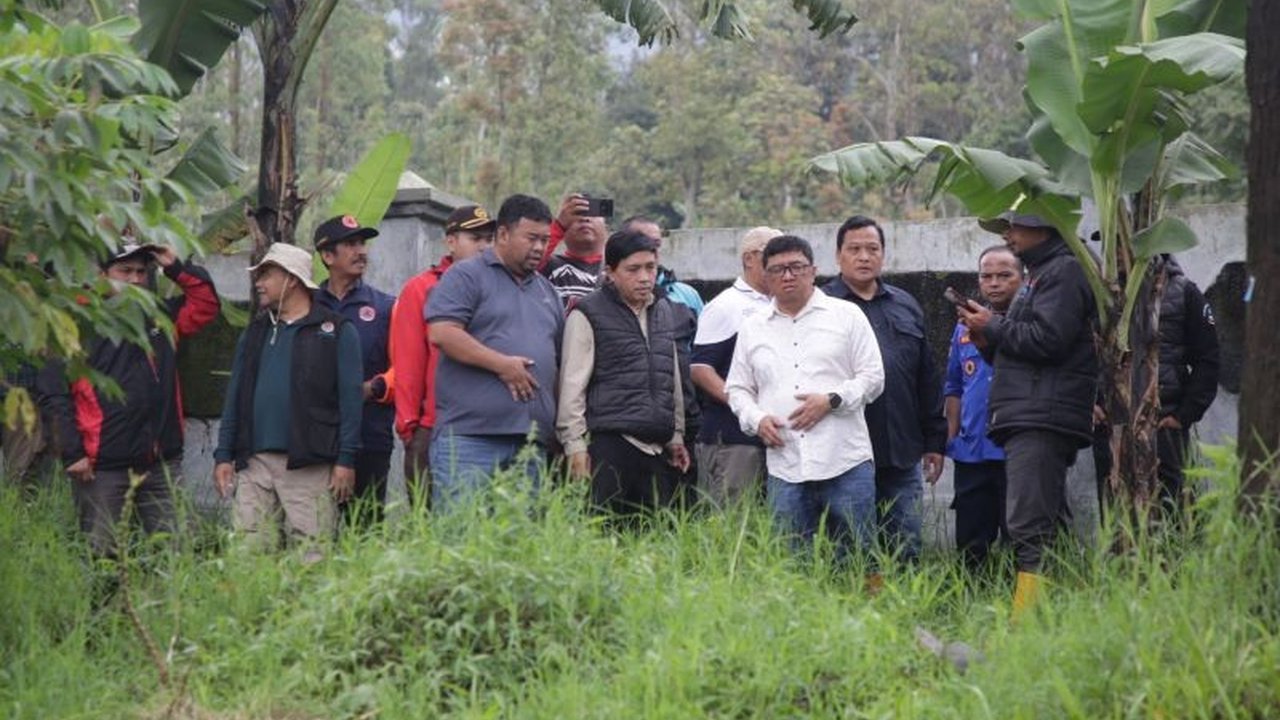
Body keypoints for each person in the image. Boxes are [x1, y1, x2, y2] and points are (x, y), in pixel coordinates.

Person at [958, 211, 1098, 619]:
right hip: (1031, 410)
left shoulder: (1064, 271)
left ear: (1043, 226)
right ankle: (1059, 614)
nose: (1007, 233)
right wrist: (987, 338)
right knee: (1044, 518)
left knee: (1027, 523)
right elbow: (1024, 348)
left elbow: (1049, 341)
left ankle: (1027, 622)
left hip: (1042, 415)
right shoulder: (1042, 274)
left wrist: (994, 325)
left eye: (1014, 226)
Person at [43, 242, 220, 556]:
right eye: (125, 271)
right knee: (101, 555)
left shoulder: (160, 316)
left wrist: (173, 265)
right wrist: (72, 453)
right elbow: (56, 393)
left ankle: (166, 606)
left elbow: (205, 305)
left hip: (160, 462)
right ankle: (101, 606)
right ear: (100, 274)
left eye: (141, 271)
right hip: (102, 464)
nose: (135, 279)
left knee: (174, 553)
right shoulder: (78, 323)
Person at [726, 235, 884, 562]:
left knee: (860, 556)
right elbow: (738, 389)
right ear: (765, 278)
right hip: (786, 465)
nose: (788, 276)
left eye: (796, 267)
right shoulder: (753, 328)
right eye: (778, 270)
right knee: (791, 561)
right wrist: (757, 421)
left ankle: (871, 610)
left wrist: (832, 399)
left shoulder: (847, 315)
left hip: (845, 460)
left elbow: (873, 378)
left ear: (813, 271)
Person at [213, 243, 363, 559]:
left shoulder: (337, 330)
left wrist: (345, 460)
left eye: (267, 274)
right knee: (248, 553)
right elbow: (236, 395)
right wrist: (223, 454)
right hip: (254, 463)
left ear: (292, 279)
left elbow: (351, 402)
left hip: (309, 462)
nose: (259, 283)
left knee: (312, 555)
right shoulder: (254, 331)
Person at [426, 194, 563, 510]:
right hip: (471, 439)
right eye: (532, 238)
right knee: (460, 541)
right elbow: (442, 333)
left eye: (545, 239)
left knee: (518, 550)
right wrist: (502, 365)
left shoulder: (547, 292)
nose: (541, 248)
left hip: (530, 444)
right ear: (503, 234)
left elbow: (556, 361)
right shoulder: (466, 275)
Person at [822, 215, 946, 563]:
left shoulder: (905, 304)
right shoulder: (822, 307)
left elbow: (926, 376)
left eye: (872, 249)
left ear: (883, 255)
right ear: (838, 256)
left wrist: (935, 440)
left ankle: (902, 612)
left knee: (905, 542)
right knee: (851, 546)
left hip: (902, 449)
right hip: (845, 451)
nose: (864, 257)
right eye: (855, 249)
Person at [557, 230, 690, 516]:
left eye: (650, 268)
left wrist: (676, 436)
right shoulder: (587, 313)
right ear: (610, 272)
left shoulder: (663, 310)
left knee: (654, 543)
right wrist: (575, 445)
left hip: (657, 449)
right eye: (633, 269)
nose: (644, 277)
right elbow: (572, 384)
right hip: (609, 446)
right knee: (603, 537)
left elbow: (671, 375)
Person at [390, 205, 495, 503]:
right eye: (475, 238)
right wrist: (410, 429)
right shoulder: (422, 288)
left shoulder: (500, 284)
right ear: (451, 241)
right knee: (432, 523)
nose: (484, 246)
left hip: (488, 424)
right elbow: (408, 364)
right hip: (433, 426)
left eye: (489, 239)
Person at [944, 245, 1024, 568]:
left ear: (1022, 277)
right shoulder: (964, 327)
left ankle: (1022, 606)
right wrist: (950, 438)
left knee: (1020, 539)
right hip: (972, 450)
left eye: (1004, 275)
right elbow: (953, 386)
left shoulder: (1034, 323)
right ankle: (972, 603)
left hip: (1018, 450)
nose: (994, 283)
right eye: (986, 276)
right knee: (971, 543)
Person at [313, 215, 396, 524]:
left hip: (370, 436)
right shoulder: (307, 305)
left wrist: (372, 388)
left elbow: (404, 369)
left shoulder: (386, 306)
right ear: (327, 255)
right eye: (351, 244)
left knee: (366, 529)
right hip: (316, 439)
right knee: (314, 530)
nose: (361, 251)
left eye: (363, 243)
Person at [690, 226, 780, 507]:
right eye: (772, 255)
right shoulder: (726, 305)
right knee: (733, 523)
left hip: (775, 438)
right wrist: (747, 407)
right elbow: (700, 369)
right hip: (733, 439)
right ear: (750, 258)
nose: (779, 264)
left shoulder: (781, 304)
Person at [620, 214, 702, 500]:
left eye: (655, 246)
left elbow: (693, 359)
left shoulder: (685, 297)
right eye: (643, 244)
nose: (651, 251)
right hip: (627, 429)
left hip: (681, 424)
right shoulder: (604, 303)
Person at [541, 193, 606, 307]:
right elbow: (525, 261)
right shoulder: (548, 266)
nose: (585, 219)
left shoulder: (617, 269)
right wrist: (559, 225)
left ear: (606, 226)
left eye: (593, 214)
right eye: (577, 215)